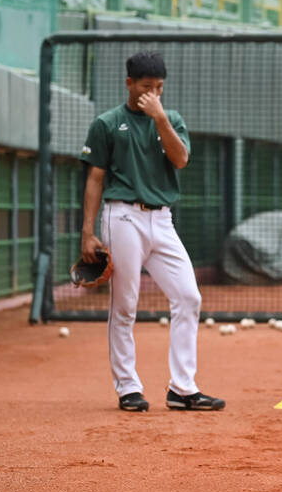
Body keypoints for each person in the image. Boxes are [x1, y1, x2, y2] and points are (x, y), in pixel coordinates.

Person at [79, 51, 224, 412]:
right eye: (146, 87)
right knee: (125, 304)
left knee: (188, 297)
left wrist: (159, 118)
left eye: (159, 88)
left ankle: (183, 389)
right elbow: (95, 178)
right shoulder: (107, 123)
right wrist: (87, 231)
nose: (153, 94)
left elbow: (181, 159)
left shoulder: (169, 118)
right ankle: (128, 387)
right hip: (122, 217)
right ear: (129, 84)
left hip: (162, 220)